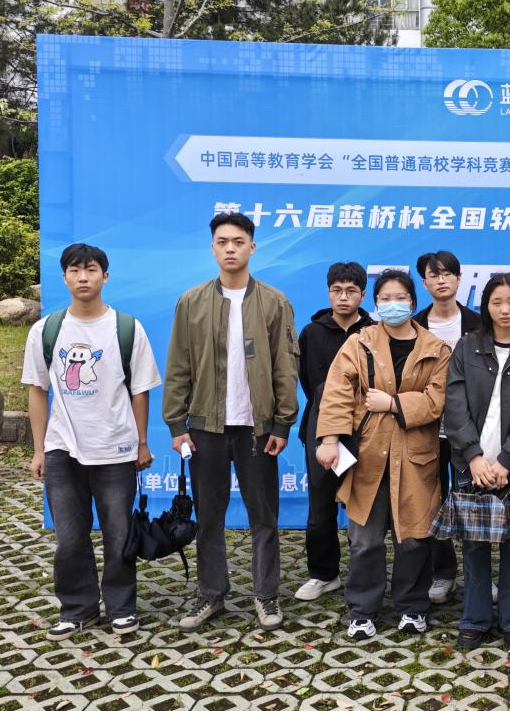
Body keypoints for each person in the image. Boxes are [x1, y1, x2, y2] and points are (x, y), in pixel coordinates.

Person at [163, 212, 300, 633]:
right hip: (206, 426)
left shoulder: (274, 302)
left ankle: (266, 595)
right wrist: (176, 424)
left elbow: (285, 367)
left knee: (264, 517)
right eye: (222, 241)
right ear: (212, 248)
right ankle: (211, 594)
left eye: (238, 241)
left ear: (252, 247)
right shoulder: (192, 302)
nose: (230, 249)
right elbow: (179, 365)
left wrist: (282, 425)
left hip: (258, 430)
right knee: (209, 516)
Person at [23, 243, 161, 640]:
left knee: (119, 534)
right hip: (62, 449)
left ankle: (121, 607)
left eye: (91, 269)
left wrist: (141, 443)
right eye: (75, 270)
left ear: (105, 276)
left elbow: (139, 391)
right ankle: (77, 609)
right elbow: (37, 390)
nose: (83, 277)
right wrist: (39, 449)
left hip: (115, 448)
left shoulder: (127, 328)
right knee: (69, 537)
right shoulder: (46, 330)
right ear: (64, 277)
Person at [316, 269, 451, 640]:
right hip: (369, 454)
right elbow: (338, 393)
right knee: (365, 539)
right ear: (375, 304)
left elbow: (438, 399)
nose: (393, 305)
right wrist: (330, 439)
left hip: (416, 455)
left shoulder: (436, 348)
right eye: (385, 299)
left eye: (400, 298)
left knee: (414, 537)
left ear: (413, 302)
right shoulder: (359, 344)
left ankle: (412, 607)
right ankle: (362, 610)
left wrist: (392, 403)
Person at [444, 273, 510, 650]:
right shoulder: (467, 346)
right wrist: (473, 456)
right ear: (485, 306)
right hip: (470, 464)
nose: (505, 309)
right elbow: (454, 405)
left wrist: (507, 461)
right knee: (474, 544)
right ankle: (474, 619)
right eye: (496, 302)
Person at [294, 262, 375, 603]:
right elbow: (307, 382)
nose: (343, 297)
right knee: (320, 505)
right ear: (328, 293)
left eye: (351, 291)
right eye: (337, 290)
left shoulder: (374, 331)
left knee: (363, 503)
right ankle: (324, 574)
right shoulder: (311, 333)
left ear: (362, 294)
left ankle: (364, 573)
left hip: (365, 429)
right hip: (320, 429)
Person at [414, 250, 478, 605]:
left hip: (468, 430)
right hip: (426, 430)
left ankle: (477, 574)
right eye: (433, 275)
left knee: (471, 501)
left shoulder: (477, 323)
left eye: (447, 273)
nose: (441, 280)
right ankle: (443, 572)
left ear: (458, 279)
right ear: (424, 283)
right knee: (432, 502)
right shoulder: (414, 325)